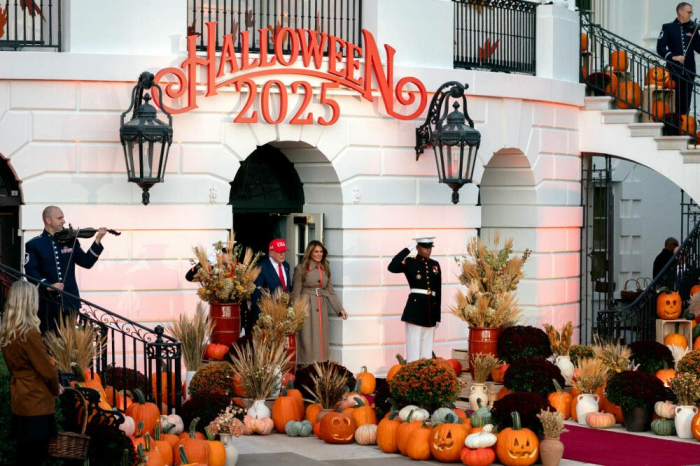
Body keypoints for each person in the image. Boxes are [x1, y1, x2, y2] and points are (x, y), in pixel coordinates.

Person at [0, 280, 61, 466]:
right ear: (29, 302)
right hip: (36, 400)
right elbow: (47, 371)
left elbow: (13, 367)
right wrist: (56, 389)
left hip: (20, 398)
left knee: (24, 455)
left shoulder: (8, 333)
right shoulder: (30, 334)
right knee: (35, 456)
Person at [24, 206, 107, 334]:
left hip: (70, 302)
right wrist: (47, 285)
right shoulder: (34, 244)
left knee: (68, 340)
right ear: (48, 220)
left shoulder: (71, 241)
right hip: (47, 304)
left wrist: (97, 240)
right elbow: (31, 270)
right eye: (59, 218)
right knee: (49, 339)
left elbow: (87, 262)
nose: (63, 221)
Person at [292, 240, 347, 364]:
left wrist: (340, 309)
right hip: (306, 306)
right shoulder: (301, 269)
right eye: (316, 251)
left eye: (321, 252)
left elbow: (330, 291)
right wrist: (295, 314)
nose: (319, 254)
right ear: (310, 252)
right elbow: (296, 293)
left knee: (321, 337)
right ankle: (306, 366)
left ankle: (320, 366)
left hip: (321, 305)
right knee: (306, 337)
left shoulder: (325, 268)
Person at [388, 237, 442, 362]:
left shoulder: (435, 264)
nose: (428, 250)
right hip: (415, 309)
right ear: (417, 247)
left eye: (430, 247)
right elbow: (392, 266)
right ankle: (413, 370)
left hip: (430, 310)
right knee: (414, 345)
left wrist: (437, 316)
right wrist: (408, 249)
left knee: (427, 348)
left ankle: (426, 371)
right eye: (425, 247)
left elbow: (438, 291)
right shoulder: (410, 262)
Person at [657, 2, 700, 116]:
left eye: (691, 12)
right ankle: (674, 122)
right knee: (674, 100)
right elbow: (660, 47)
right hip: (673, 70)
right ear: (680, 12)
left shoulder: (693, 29)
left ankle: (684, 122)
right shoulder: (668, 27)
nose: (691, 14)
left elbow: (699, 48)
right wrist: (672, 56)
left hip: (689, 70)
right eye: (689, 12)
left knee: (686, 101)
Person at [249, 239, 291, 334]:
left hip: (282, 315)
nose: (282, 254)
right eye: (279, 252)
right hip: (267, 317)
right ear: (271, 253)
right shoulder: (261, 267)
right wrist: (263, 319)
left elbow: (286, 288)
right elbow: (256, 296)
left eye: (284, 251)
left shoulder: (286, 265)